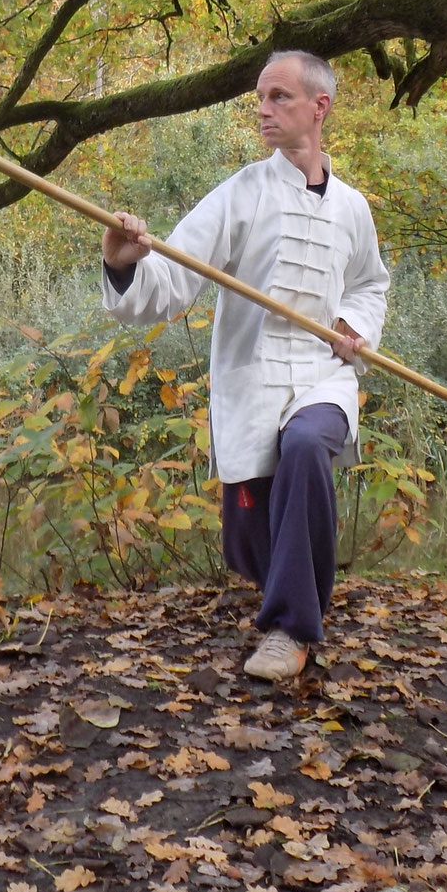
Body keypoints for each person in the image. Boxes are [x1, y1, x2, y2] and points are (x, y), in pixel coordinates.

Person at [100, 50, 391, 681]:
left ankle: (290, 631)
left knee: (309, 448)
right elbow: (174, 279)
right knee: (249, 542)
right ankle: (292, 594)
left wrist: (354, 327)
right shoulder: (242, 193)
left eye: (279, 97)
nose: (263, 109)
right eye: (260, 97)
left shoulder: (353, 208)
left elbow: (370, 284)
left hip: (322, 377)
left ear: (320, 106)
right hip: (253, 382)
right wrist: (125, 264)